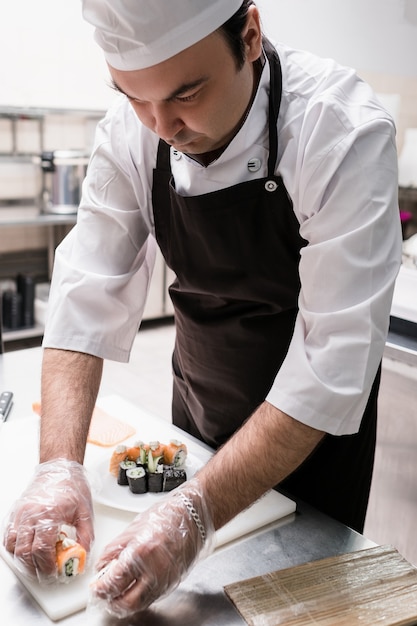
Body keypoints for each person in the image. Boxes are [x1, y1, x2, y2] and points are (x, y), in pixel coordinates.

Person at [4, 0, 402, 617]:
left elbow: (330, 365)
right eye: (133, 96)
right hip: (199, 398)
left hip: (311, 439)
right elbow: (86, 290)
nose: (162, 124)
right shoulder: (132, 129)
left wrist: (197, 511)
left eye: (187, 93)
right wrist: (58, 464)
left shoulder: (339, 129)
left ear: (248, 36)